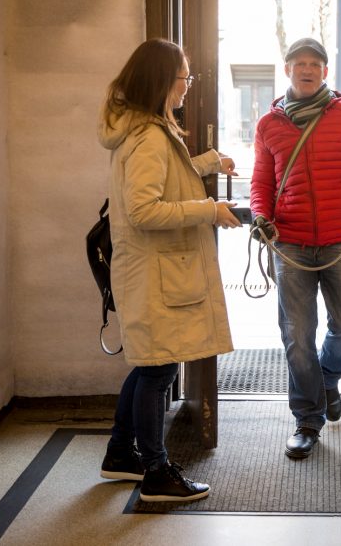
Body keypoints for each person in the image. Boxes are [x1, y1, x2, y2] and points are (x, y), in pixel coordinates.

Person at [96, 38, 241, 501]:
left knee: (148, 365)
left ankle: (121, 455)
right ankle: (157, 473)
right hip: (155, 273)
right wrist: (210, 210)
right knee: (158, 371)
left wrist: (208, 163)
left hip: (152, 270)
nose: (186, 87)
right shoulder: (150, 137)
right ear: (163, 80)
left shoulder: (145, 130)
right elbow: (145, 210)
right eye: (183, 77)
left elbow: (165, 178)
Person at [250, 37, 341, 459]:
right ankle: (307, 419)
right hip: (290, 242)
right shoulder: (268, 125)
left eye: (315, 63)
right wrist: (261, 217)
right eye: (300, 63)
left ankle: (328, 379)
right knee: (297, 335)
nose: (308, 69)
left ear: (326, 71)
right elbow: (261, 183)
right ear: (288, 69)